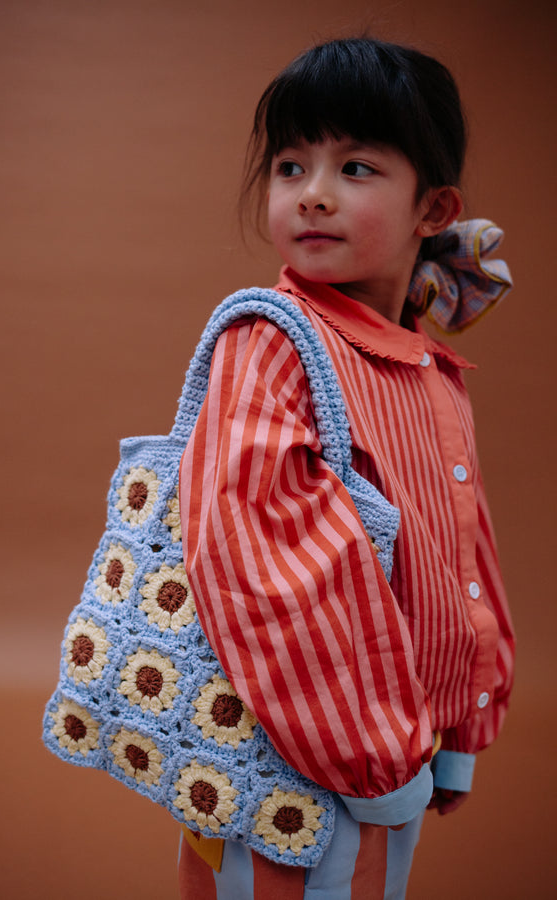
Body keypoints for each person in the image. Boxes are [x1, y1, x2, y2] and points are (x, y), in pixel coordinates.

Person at [177, 37, 515, 899]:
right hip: (286, 761)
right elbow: (263, 572)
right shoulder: (271, 344)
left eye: (357, 167)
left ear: (433, 209)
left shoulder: (419, 361)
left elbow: (455, 551)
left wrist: (456, 728)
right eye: (291, 165)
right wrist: (370, 753)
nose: (314, 193)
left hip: (391, 751)